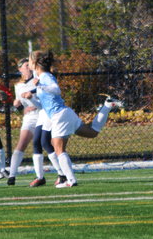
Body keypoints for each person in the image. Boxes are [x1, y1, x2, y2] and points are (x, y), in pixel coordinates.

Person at [29, 50, 122, 188]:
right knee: (92, 132)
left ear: (35, 63)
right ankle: (107, 106)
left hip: (60, 116)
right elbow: (45, 100)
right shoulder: (40, 77)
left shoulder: (45, 77)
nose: (28, 63)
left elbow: (56, 89)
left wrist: (40, 85)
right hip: (65, 114)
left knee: (58, 148)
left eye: (29, 61)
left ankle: (71, 180)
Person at [7, 58, 65, 186]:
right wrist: (19, 107)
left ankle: (62, 174)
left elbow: (44, 100)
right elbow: (21, 105)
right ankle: (13, 175)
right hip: (31, 117)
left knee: (46, 143)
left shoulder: (38, 80)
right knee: (27, 143)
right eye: (26, 65)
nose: (29, 67)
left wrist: (32, 100)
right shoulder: (18, 86)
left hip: (44, 113)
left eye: (30, 65)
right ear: (20, 69)